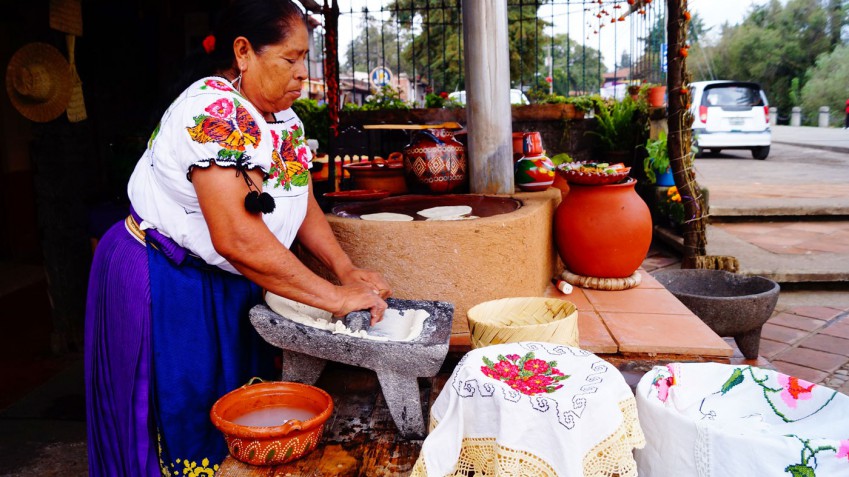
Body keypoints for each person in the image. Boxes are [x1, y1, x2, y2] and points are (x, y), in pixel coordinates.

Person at [84, 1, 390, 475]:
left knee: (232, 422)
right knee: (178, 421)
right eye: (290, 60)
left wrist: (344, 268)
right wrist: (334, 297)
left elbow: (299, 199)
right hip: (166, 282)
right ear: (243, 52)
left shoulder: (282, 119)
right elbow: (238, 240)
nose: (301, 74)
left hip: (223, 285)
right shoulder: (213, 112)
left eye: (305, 58)